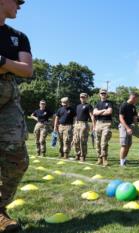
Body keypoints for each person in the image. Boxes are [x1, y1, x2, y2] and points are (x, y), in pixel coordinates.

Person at [0, 0, 32, 231]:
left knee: (18, 159)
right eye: (17, 1)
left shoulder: (18, 36)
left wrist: (2, 61)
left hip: (9, 99)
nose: (20, 5)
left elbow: (27, 69)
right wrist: (12, 65)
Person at [93, 89, 113, 166]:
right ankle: (99, 159)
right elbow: (94, 113)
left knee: (104, 142)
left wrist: (99, 112)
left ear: (106, 94)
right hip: (98, 123)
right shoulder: (97, 103)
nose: (103, 94)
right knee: (97, 142)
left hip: (106, 124)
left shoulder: (109, 103)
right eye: (102, 93)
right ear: (99, 94)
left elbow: (109, 112)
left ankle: (104, 159)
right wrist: (104, 110)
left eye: (104, 93)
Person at [119, 92, 139, 166]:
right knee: (124, 145)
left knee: (128, 145)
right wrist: (127, 128)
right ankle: (121, 163)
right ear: (133, 98)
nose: (137, 101)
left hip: (130, 126)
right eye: (136, 99)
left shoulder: (133, 106)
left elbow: (134, 118)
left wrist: (137, 128)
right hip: (124, 126)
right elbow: (121, 118)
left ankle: (124, 160)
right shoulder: (124, 105)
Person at [73, 93, 94, 162]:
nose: (82, 98)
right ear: (80, 98)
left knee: (82, 141)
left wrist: (94, 125)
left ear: (86, 98)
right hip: (77, 124)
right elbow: (76, 116)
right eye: (81, 97)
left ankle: (83, 155)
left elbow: (92, 116)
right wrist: (75, 124)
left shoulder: (88, 106)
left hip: (84, 124)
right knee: (76, 140)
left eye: (84, 97)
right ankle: (77, 154)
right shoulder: (78, 106)